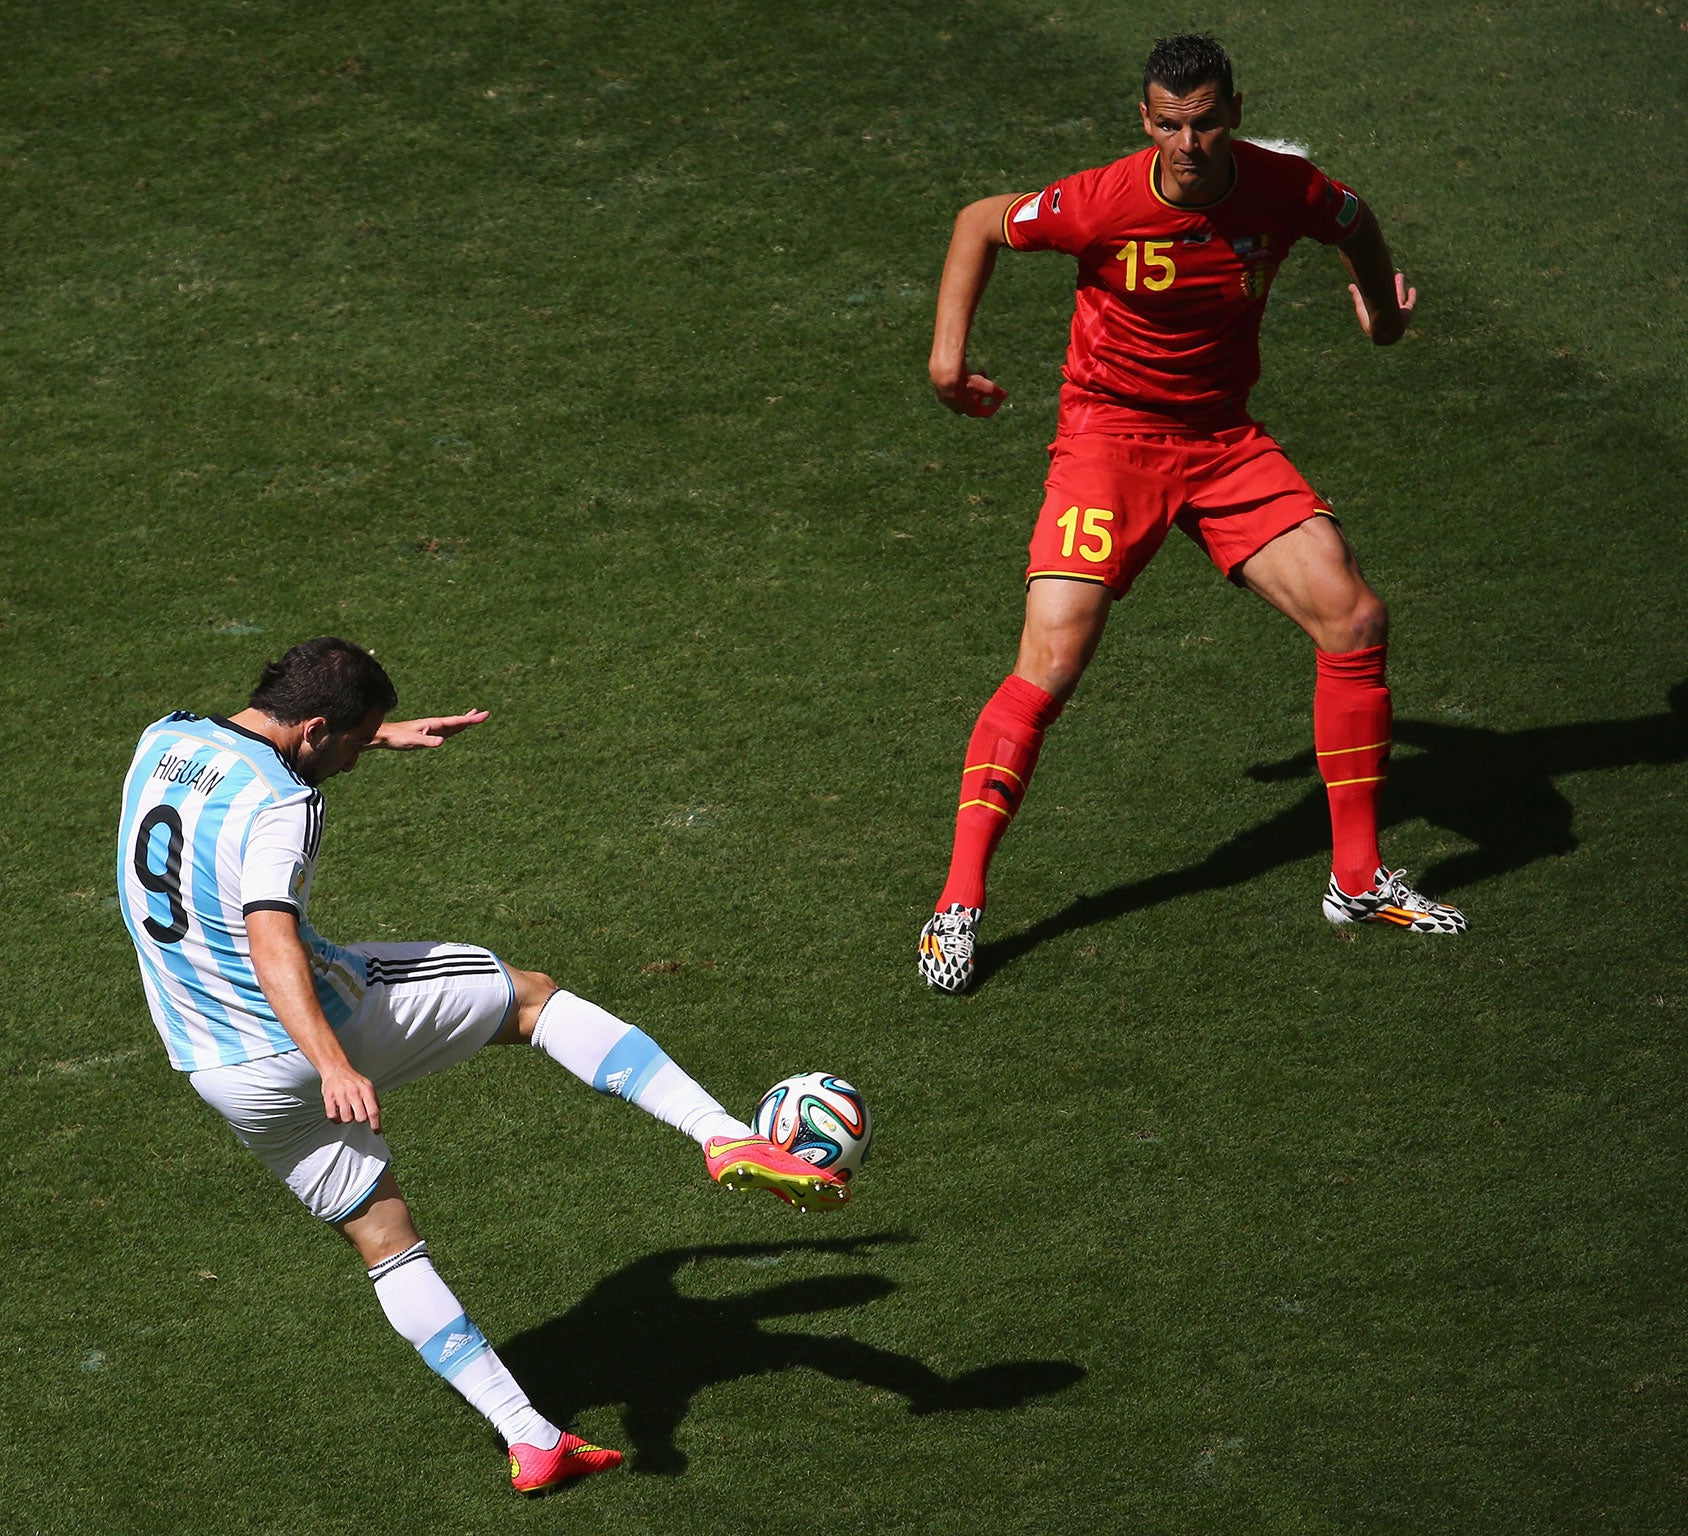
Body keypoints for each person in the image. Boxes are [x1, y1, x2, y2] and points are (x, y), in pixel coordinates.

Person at [116, 637, 845, 1494]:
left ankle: (531, 1437)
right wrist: (335, 1063)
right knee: (530, 998)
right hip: (310, 1030)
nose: (353, 761)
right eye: (351, 743)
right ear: (314, 730)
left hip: (218, 1068)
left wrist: (377, 734)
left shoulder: (161, 739)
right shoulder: (289, 806)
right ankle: (722, 1134)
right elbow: (268, 933)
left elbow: (263, 757)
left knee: (382, 1239)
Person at [916, 33, 1467, 994]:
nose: (1188, 142)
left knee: (1355, 618)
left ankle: (1356, 880)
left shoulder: (1282, 188)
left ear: (1234, 114)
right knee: (1050, 663)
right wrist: (945, 361)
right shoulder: (1098, 201)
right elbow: (976, 223)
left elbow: (1357, 223)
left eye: (1205, 121)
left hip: (1223, 445)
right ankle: (956, 906)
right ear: (1145, 121)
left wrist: (1381, 312)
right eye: (1170, 124)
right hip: (1108, 445)